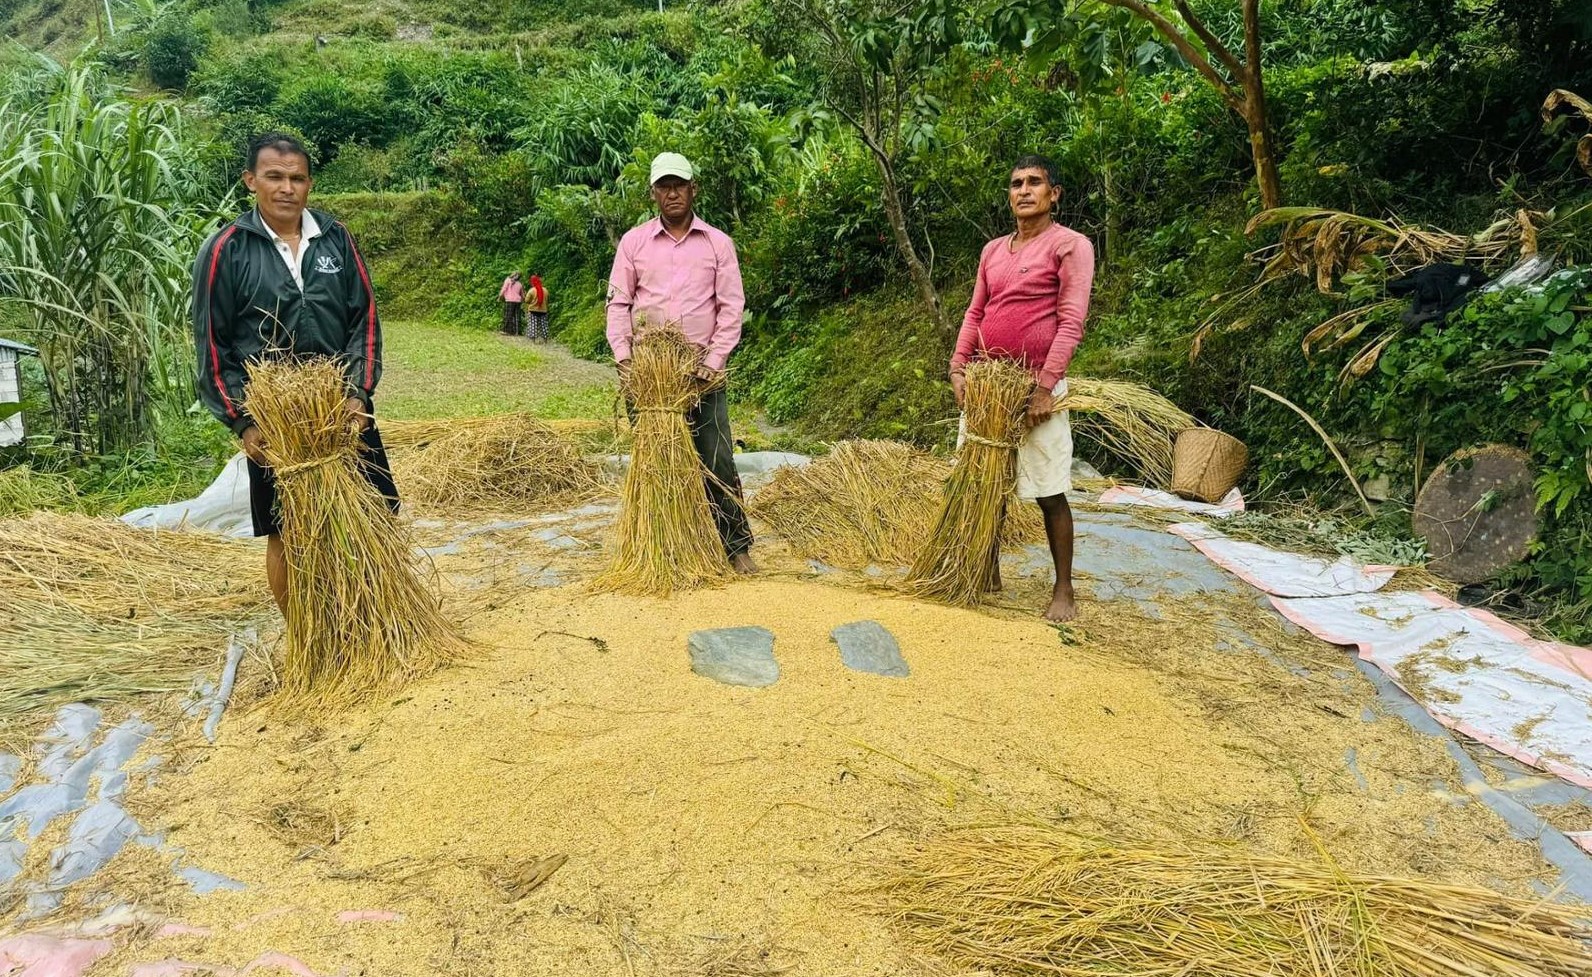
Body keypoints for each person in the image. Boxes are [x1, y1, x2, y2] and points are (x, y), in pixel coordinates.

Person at [193, 132, 399, 615]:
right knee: (285, 533)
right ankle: (307, 636)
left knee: (378, 512)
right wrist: (245, 421)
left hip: (339, 411)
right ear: (251, 181)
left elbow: (363, 319)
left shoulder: (335, 238)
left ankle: (377, 615)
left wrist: (358, 394)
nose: (287, 188)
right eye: (275, 177)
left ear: (309, 184)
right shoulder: (228, 248)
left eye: (297, 178)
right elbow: (211, 345)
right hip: (277, 421)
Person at [949, 154, 1094, 622]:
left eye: (1035, 183)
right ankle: (984, 569)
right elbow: (975, 313)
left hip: (1036, 386)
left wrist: (1045, 388)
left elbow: (1071, 322)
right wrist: (958, 368)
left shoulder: (1069, 246)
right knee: (983, 479)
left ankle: (1063, 588)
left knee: (1049, 488)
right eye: (1017, 184)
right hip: (987, 383)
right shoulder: (993, 250)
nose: (1024, 190)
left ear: (1054, 194)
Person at [606, 151, 756, 574]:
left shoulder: (717, 243)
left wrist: (714, 360)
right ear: (653, 193)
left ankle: (735, 545)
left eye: (679, 185)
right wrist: (625, 358)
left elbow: (731, 308)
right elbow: (618, 303)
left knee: (717, 458)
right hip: (650, 375)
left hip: (700, 372)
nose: (672, 193)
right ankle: (661, 545)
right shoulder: (633, 242)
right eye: (664, 186)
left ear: (694, 189)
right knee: (656, 460)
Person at [525, 273, 549, 342]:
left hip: (533, 310)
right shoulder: (545, 290)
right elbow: (547, 300)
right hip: (543, 310)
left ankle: (533, 340)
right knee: (544, 325)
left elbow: (527, 300)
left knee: (533, 325)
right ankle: (545, 339)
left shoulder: (532, 290)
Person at [500, 271, 525, 335]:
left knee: (508, 316)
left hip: (509, 300)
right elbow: (522, 294)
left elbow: (504, 289)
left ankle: (507, 331)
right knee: (517, 316)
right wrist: (523, 301)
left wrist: (500, 296)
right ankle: (517, 331)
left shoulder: (507, 280)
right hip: (518, 301)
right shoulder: (520, 283)